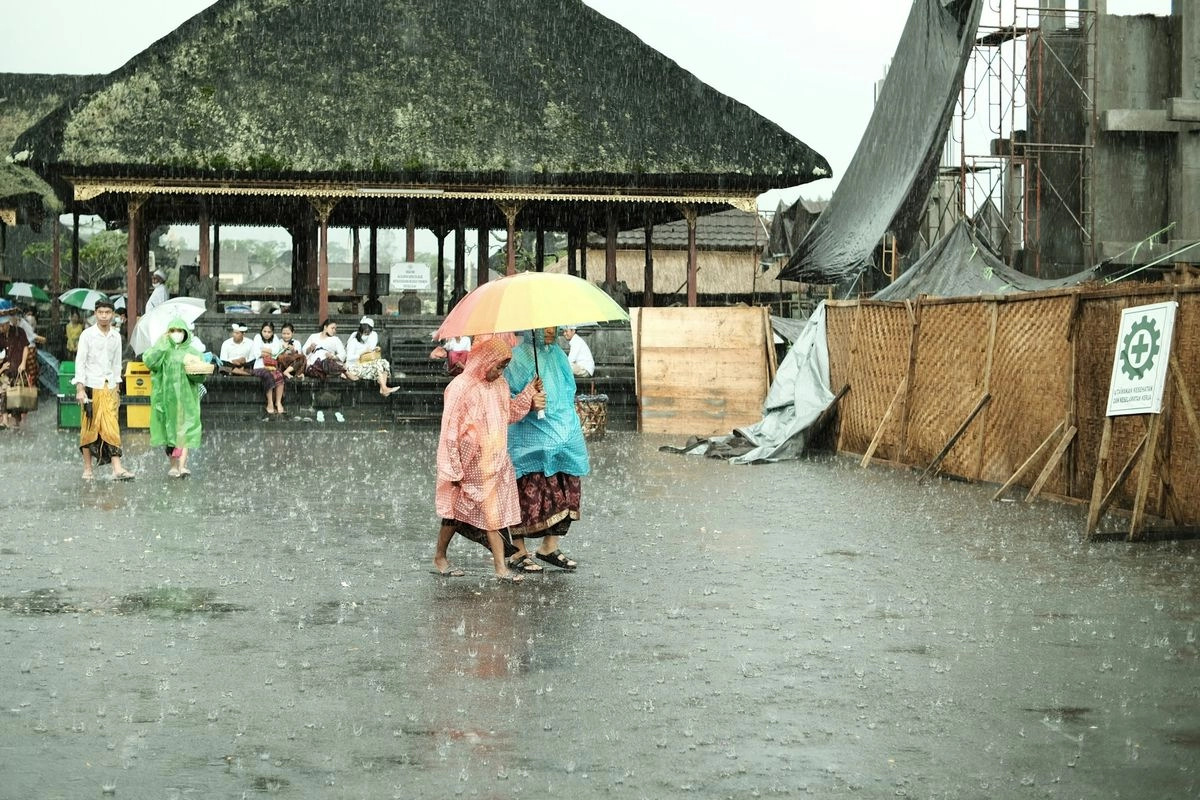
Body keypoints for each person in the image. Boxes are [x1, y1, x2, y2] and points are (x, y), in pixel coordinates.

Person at [432, 336, 546, 581]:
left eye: (504, 367)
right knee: (455, 514)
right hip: (468, 462)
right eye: (498, 366)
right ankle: (440, 556)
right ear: (485, 360)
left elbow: (509, 413)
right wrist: (452, 469)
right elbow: (450, 431)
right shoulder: (460, 388)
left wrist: (529, 394)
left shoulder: (500, 385)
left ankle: (500, 568)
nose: (500, 372)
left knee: (494, 514)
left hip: (495, 460)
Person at [502, 327, 588, 572]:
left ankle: (549, 546)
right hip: (529, 439)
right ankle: (517, 551)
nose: (551, 330)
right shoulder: (517, 358)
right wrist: (530, 402)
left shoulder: (558, 355)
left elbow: (567, 392)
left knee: (563, 485)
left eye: (554, 325)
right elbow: (508, 397)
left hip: (562, 435)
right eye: (545, 326)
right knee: (527, 490)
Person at [73, 299, 134, 480]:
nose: (104, 316)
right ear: (95, 313)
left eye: (108, 312)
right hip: (91, 386)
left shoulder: (116, 337)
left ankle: (117, 468)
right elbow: (80, 362)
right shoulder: (87, 335)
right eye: (101, 312)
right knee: (89, 428)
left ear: (113, 314)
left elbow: (116, 365)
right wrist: (80, 387)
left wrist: (117, 388)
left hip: (109, 387)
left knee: (112, 427)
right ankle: (88, 469)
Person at [142, 316, 207, 478]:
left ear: (186, 332)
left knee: (185, 430)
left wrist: (197, 371)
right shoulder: (162, 350)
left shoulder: (193, 352)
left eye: (179, 330)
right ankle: (173, 464)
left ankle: (183, 465)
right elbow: (150, 362)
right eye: (172, 330)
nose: (176, 333)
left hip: (186, 400)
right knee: (168, 431)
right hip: (165, 399)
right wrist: (162, 346)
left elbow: (200, 377)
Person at [344, 316, 401, 396]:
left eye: (368, 332)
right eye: (365, 331)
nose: (366, 334)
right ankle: (384, 389)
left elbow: (370, 351)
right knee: (377, 365)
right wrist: (362, 353)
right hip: (355, 366)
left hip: (367, 364)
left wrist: (375, 350)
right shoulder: (353, 341)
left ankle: (383, 387)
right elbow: (349, 358)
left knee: (384, 363)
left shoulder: (371, 337)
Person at [0, 310, 33, 430]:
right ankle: (4, 420)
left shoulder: (19, 332)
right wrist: (2, 367)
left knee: (16, 397)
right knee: (4, 391)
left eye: (2, 325)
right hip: (7, 370)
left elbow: (26, 347)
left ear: (8, 324)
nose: (1, 328)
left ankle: (16, 421)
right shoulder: (0, 336)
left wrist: (23, 363)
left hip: (18, 368)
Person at [251, 321, 287, 415]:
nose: (266, 334)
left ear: (272, 332)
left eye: (269, 332)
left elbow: (276, 351)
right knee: (268, 376)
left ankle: (278, 402)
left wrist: (263, 350)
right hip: (259, 367)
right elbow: (257, 353)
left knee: (279, 375)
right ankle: (270, 402)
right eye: (265, 331)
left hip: (272, 366)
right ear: (261, 331)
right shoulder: (257, 337)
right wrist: (270, 353)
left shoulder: (275, 338)